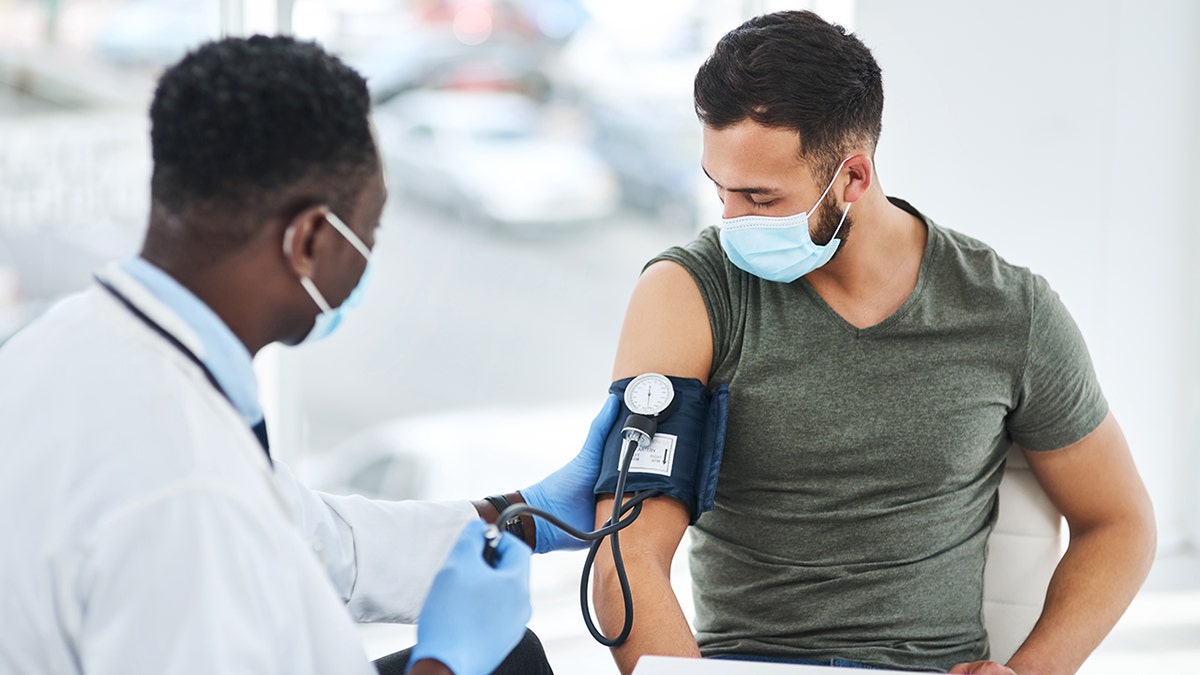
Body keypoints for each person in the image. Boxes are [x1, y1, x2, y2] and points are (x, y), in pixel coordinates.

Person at [0, 35, 618, 675]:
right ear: (311, 240)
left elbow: (312, 540)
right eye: (368, 232)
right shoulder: (186, 492)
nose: (368, 259)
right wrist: (444, 663)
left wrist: (522, 517)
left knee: (515, 657)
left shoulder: (62, 342)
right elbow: (221, 525)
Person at [593, 10, 1156, 675]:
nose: (730, 221)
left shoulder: (1008, 310)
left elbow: (1121, 523)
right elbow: (625, 557)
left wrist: (1032, 670)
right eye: (720, 189)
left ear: (853, 178)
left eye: (760, 197)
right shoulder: (690, 293)